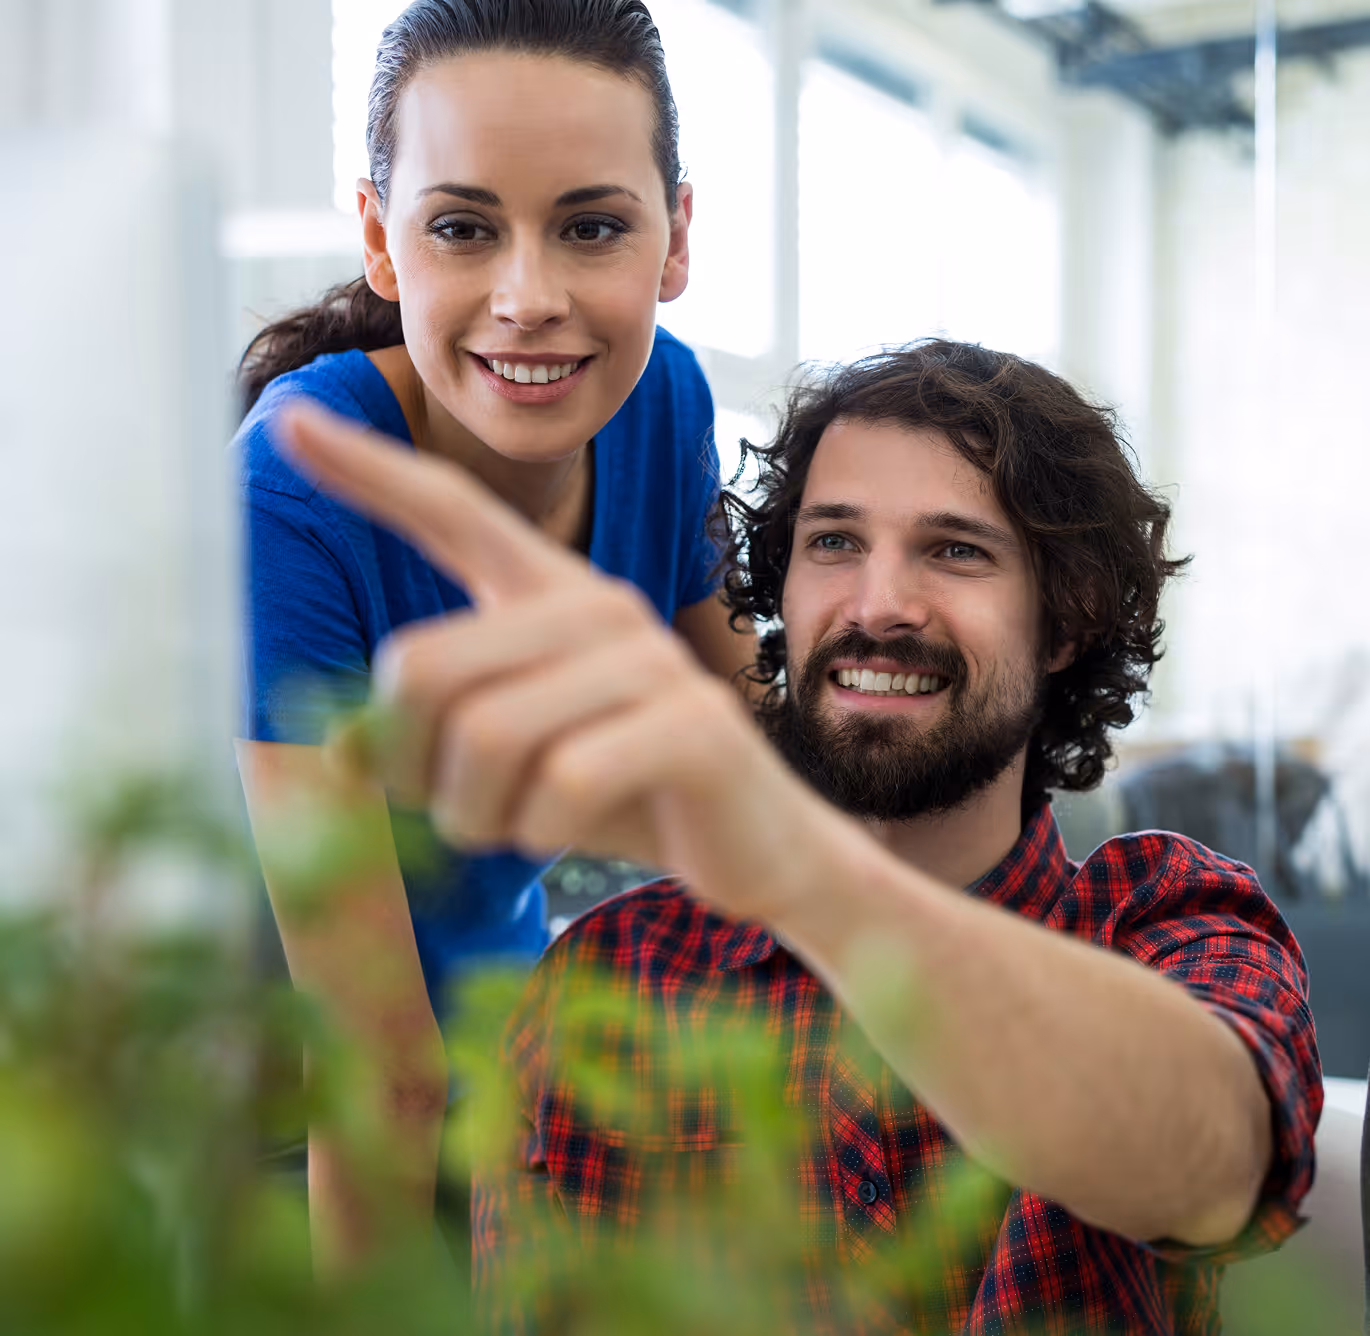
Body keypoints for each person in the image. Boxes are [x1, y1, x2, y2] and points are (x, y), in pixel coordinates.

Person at [273, 340, 1321, 1333]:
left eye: (954, 551)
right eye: (832, 543)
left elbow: (1209, 1162)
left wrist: (799, 866)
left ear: (1068, 619)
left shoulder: (1165, 915)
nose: (878, 605)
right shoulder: (615, 977)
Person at [233, 0, 753, 1269]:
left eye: (591, 227)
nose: (529, 300)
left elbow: (754, 745)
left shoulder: (662, 395)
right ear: (381, 239)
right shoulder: (298, 491)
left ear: (674, 237)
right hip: (292, 1116)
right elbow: (378, 1073)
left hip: (503, 1036)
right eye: (463, 228)